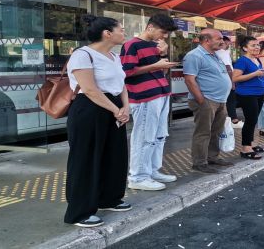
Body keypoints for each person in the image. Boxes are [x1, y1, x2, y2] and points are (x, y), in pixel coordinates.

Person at [64, 15, 131, 228]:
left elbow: (122, 84)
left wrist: (125, 107)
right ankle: (79, 212)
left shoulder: (114, 56)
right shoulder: (82, 55)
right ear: (107, 33)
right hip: (90, 109)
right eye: (121, 30)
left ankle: (109, 198)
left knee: (115, 155)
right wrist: (116, 110)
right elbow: (90, 89)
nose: (124, 33)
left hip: (113, 107)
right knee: (86, 158)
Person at [121, 14, 178, 191]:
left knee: (159, 135)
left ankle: (152, 170)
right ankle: (137, 176)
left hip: (160, 93)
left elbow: (159, 67)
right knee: (144, 136)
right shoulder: (131, 45)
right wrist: (155, 66)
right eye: (163, 32)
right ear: (150, 27)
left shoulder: (155, 45)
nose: (165, 36)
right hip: (144, 96)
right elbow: (127, 72)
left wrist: (162, 55)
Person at [183, 29, 234, 173]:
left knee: (216, 131)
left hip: (220, 100)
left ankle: (212, 157)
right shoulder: (194, 56)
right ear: (206, 40)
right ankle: (199, 162)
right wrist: (201, 100)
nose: (222, 41)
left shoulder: (215, 55)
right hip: (207, 100)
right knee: (203, 132)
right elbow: (189, 79)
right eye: (218, 38)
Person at [233, 36, 264, 159]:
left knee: (254, 120)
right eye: (253, 45)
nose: (257, 47)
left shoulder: (257, 60)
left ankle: (251, 144)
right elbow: (235, 78)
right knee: (250, 120)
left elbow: (261, 78)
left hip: (259, 93)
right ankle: (246, 148)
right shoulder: (242, 61)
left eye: (258, 45)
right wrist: (255, 73)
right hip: (247, 94)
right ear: (245, 48)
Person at [216, 36, 244, 129]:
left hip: (219, 80)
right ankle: (233, 120)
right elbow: (228, 68)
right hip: (227, 79)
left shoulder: (214, 52)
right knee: (231, 100)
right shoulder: (223, 53)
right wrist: (232, 82)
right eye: (227, 44)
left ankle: (224, 120)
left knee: (223, 101)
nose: (228, 46)